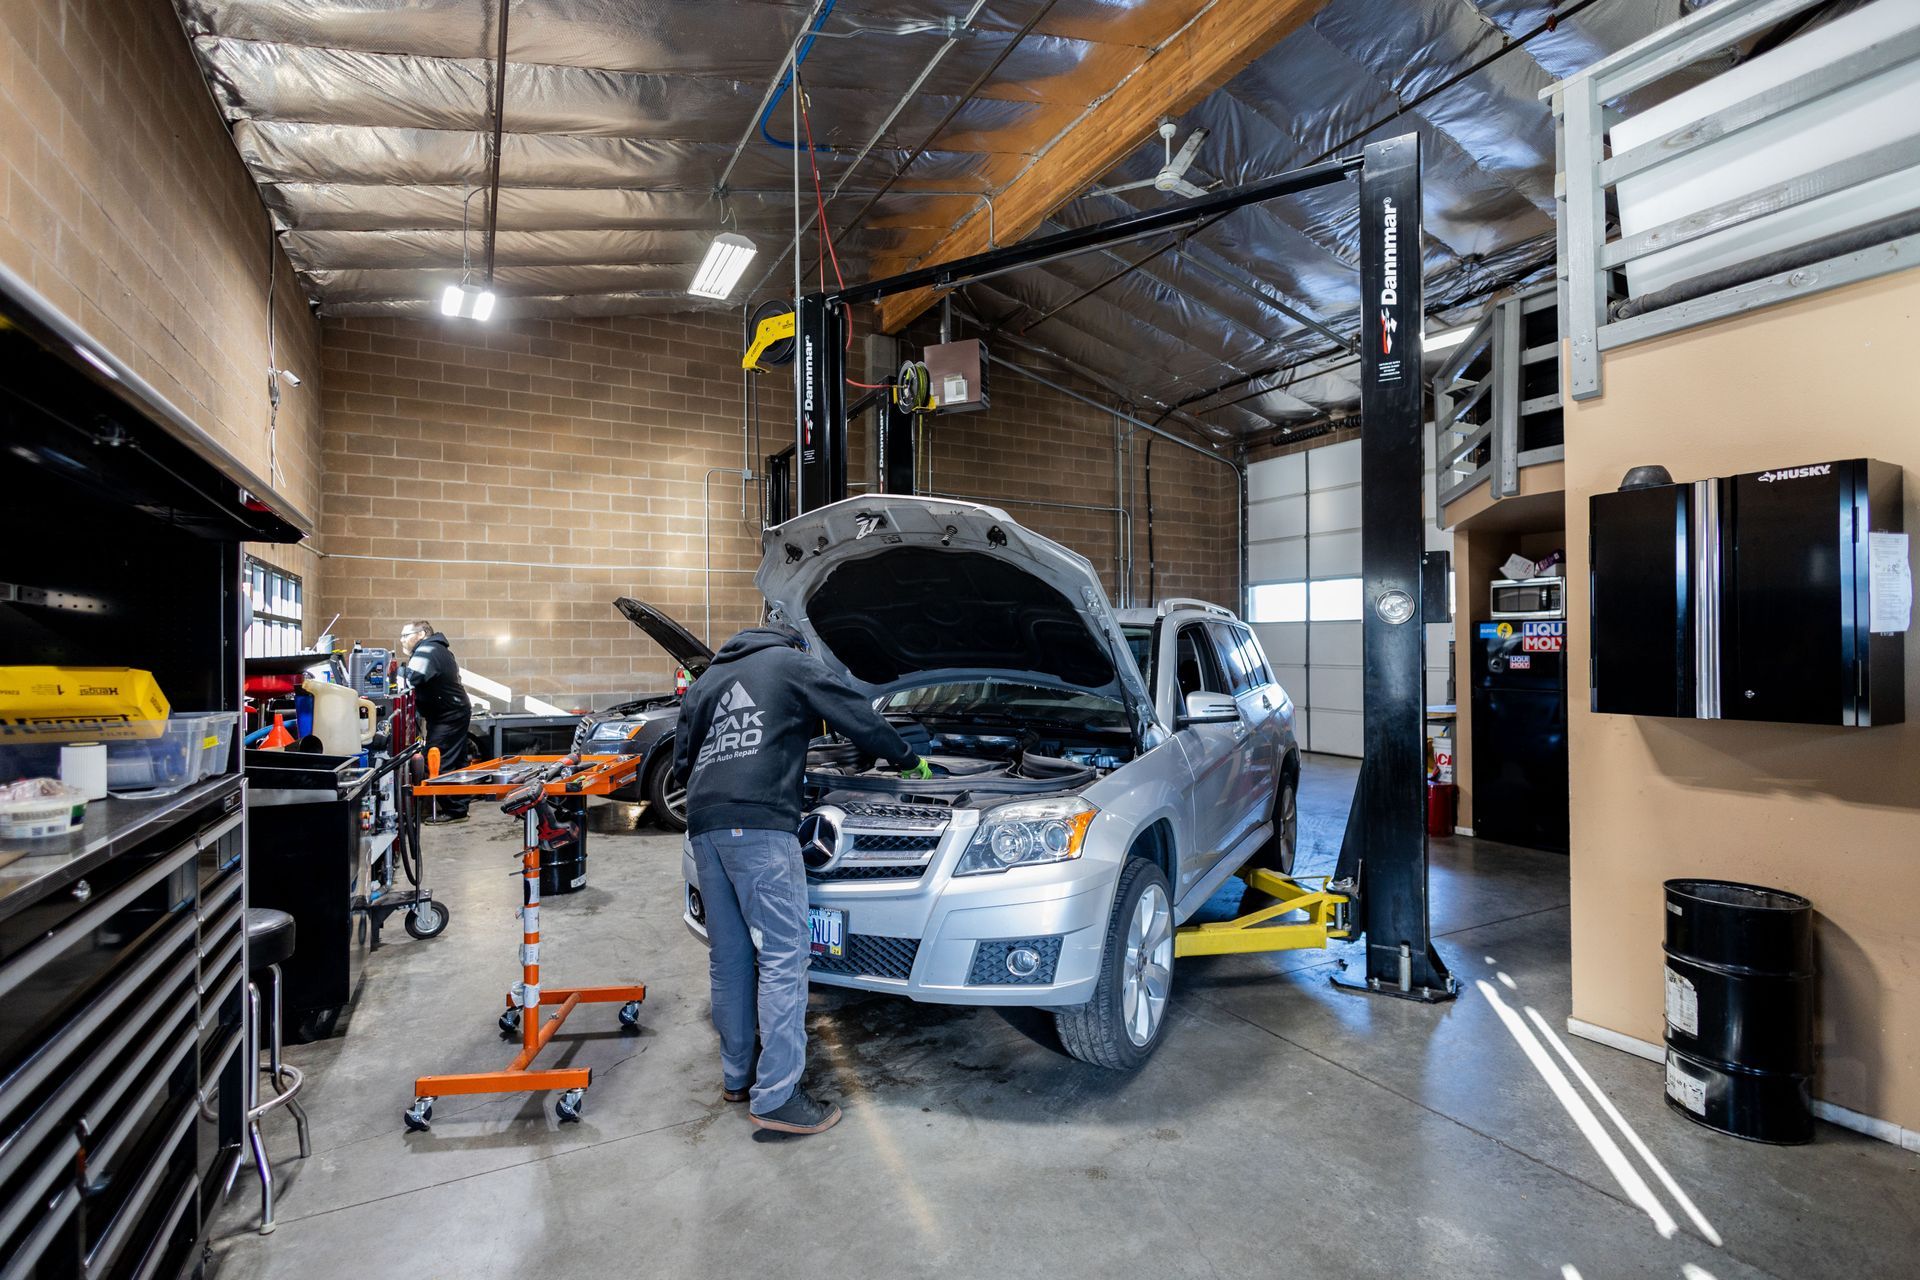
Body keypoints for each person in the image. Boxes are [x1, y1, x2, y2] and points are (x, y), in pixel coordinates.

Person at [674, 622, 929, 1136]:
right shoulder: (790, 663)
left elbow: (682, 765)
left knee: (729, 959)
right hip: (761, 828)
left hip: (704, 826)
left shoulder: (706, 682)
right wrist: (910, 759)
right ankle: (777, 1097)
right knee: (785, 958)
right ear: (797, 645)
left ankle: (737, 1078)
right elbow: (854, 714)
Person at [400, 620, 474, 823]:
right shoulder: (435, 648)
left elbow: (414, 677)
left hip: (448, 715)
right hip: (452, 711)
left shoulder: (429, 650)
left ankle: (454, 810)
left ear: (422, 633)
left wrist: (398, 673)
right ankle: (459, 807)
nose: (402, 640)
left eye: (406, 635)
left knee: (438, 759)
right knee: (457, 760)